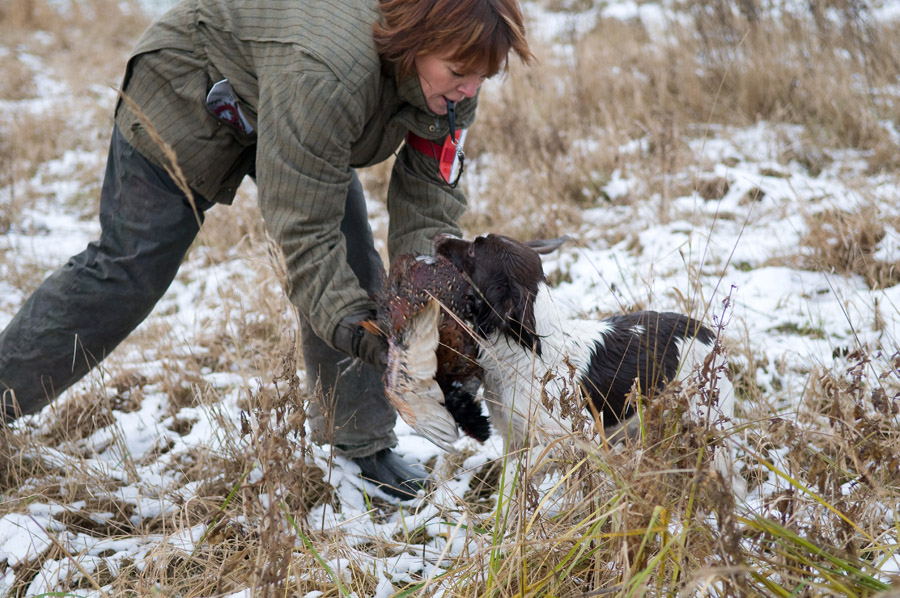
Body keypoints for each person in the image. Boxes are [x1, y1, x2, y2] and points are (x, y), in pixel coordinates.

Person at [0, 0, 532, 498]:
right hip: (190, 91)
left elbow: (430, 196)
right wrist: (373, 341)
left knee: (353, 259)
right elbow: (305, 235)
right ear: (418, 39)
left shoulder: (454, 78)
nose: (469, 88)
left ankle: (360, 445)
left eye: (481, 77)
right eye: (459, 73)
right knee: (126, 272)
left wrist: (423, 304)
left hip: (287, 104)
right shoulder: (327, 72)